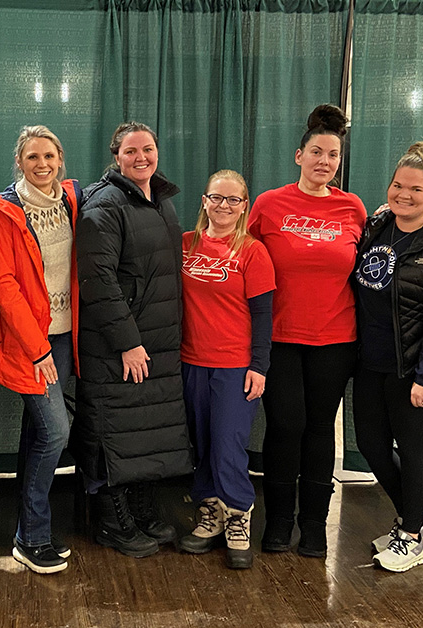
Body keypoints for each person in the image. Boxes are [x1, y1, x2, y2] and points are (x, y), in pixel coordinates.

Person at [248, 104, 366, 557]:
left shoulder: (352, 207)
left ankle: (314, 524)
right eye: (316, 152)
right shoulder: (269, 204)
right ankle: (277, 520)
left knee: (319, 428)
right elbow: (242, 256)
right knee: (284, 425)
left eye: (333, 155)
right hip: (279, 337)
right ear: (299, 156)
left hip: (336, 339)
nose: (324, 161)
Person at [74, 121, 192, 559]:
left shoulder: (160, 201)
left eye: (148, 149)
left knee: (146, 434)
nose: (141, 157)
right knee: (111, 430)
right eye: (131, 151)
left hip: (157, 338)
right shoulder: (104, 205)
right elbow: (97, 278)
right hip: (120, 343)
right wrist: (127, 340)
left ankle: (141, 510)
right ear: (116, 156)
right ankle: (111, 520)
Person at [351, 142, 423, 573]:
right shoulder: (378, 226)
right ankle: (415, 519)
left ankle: (413, 534)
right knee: (370, 444)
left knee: (412, 445)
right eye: (398, 185)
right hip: (372, 360)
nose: (404, 194)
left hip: (418, 367)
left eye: (416, 189)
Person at [0, 125, 82, 574]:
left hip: (67, 337)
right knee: (57, 431)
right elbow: (2, 286)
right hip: (29, 343)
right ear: (18, 163)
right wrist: (38, 349)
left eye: (49, 156)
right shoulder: (2, 213)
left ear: (61, 160)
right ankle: (32, 535)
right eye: (32, 158)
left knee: (40, 432)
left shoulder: (73, 202)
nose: (42, 165)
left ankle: (28, 525)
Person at [176, 170, 275, 570]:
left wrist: (259, 366)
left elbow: (264, 314)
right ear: (204, 201)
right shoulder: (185, 245)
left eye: (234, 200)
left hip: (235, 366)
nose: (224, 206)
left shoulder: (253, 252)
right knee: (201, 443)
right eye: (217, 198)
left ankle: (238, 516)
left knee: (227, 444)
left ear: (244, 206)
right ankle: (210, 513)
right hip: (190, 361)